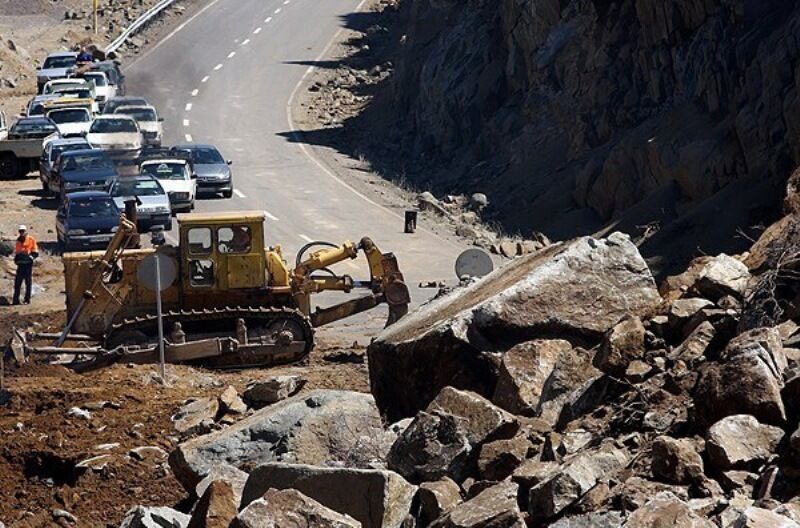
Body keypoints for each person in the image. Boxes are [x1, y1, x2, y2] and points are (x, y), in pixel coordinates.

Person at [13, 225, 38, 305]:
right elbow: (17, 252)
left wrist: (31, 257)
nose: (21, 233)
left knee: (28, 282)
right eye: (20, 231)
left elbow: (35, 252)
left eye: (23, 231)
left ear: (25, 231)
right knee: (17, 283)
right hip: (20, 264)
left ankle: (27, 299)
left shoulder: (31, 239)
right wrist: (17, 259)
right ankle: (15, 300)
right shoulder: (18, 240)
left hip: (28, 264)